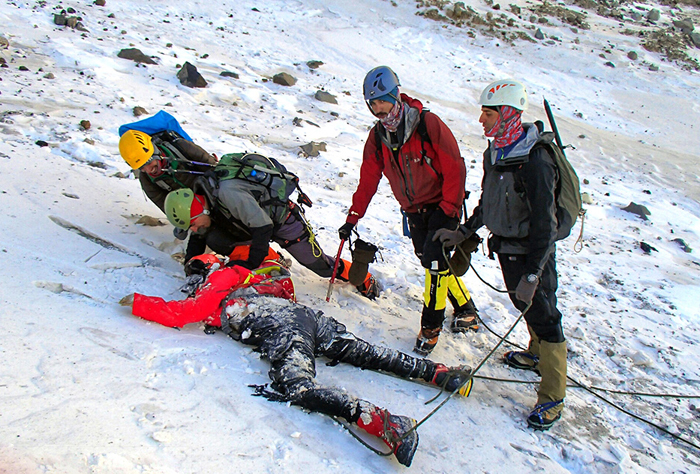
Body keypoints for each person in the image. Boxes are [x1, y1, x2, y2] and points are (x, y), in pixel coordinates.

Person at [131, 260, 474, 467]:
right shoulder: (250, 276)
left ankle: (385, 422)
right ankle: (441, 374)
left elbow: (184, 313)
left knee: (297, 386)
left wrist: (138, 302)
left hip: (279, 323)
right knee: (362, 351)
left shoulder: (219, 279)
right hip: (303, 317)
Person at [435, 79, 567, 430]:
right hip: (507, 248)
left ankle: (553, 396)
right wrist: (464, 231)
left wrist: (533, 273)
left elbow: (546, 224)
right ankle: (535, 354)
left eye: (488, 113)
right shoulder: (496, 153)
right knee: (526, 306)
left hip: (532, 252)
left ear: (507, 114)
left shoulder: (536, 160)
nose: (481, 120)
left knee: (545, 314)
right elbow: (488, 202)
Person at [338, 66, 479, 356]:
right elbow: (368, 180)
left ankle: (431, 326)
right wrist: (353, 217)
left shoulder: (427, 124)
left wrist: (450, 210)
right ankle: (465, 307)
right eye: (372, 103)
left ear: (395, 95)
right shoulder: (378, 138)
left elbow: (455, 166)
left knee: (436, 263)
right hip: (414, 210)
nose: (377, 108)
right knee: (430, 261)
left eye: (382, 100)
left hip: (443, 204)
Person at [163, 172, 379, 299]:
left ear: (200, 210)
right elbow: (199, 235)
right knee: (217, 239)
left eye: (192, 225)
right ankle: (271, 260)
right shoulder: (204, 203)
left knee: (320, 265)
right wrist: (192, 265)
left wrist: (250, 264)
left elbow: (263, 228)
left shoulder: (228, 194)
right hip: (256, 222)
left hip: (283, 221)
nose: (193, 230)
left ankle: (364, 279)